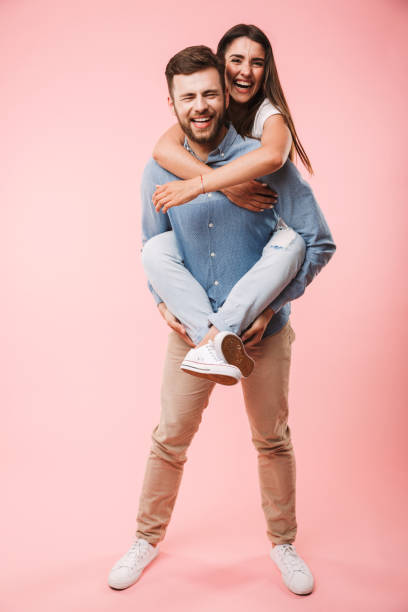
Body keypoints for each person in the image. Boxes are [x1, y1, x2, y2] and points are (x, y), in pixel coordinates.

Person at [108, 45, 335, 595]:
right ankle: (145, 538)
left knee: (272, 441)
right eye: (189, 97)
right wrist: (164, 307)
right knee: (168, 440)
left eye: (210, 92)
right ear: (173, 103)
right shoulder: (159, 167)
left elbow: (317, 242)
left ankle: (283, 543)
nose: (201, 105)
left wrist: (273, 307)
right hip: (190, 332)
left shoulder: (264, 161)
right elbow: (151, 246)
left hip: (263, 333)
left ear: (225, 94)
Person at [140, 24, 313, 384]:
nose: (244, 71)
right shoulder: (191, 119)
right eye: (235, 60)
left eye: (257, 62)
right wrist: (227, 188)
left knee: (293, 243)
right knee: (156, 249)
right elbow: (162, 148)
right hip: (192, 323)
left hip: (261, 325)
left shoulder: (268, 117)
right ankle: (214, 341)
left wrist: (269, 309)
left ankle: (213, 339)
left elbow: (274, 156)